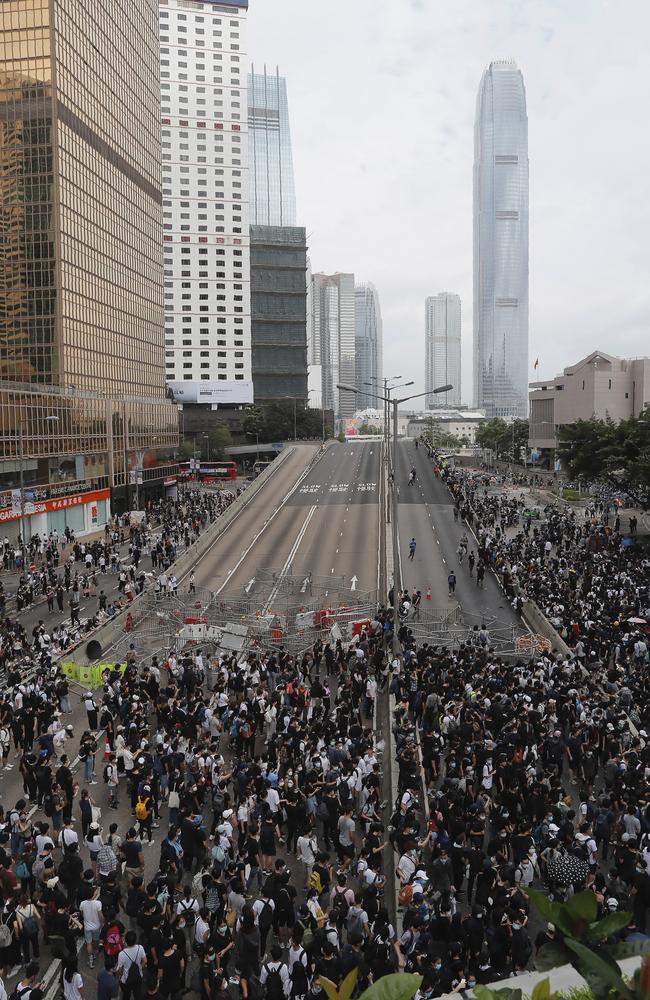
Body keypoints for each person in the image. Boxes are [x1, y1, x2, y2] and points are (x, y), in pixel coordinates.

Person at [116, 931, 147, 1000]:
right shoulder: (140, 948)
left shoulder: (122, 954)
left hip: (126, 980)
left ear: (126, 941)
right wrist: (140, 968)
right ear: (135, 940)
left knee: (126, 996)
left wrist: (118, 974)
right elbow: (145, 961)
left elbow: (120, 970)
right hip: (138, 977)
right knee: (137, 995)